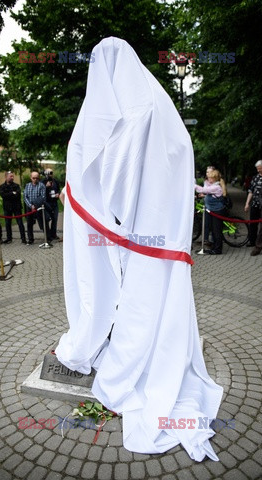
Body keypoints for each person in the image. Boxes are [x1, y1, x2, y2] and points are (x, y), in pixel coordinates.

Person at [55, 37, 223, 461]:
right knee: (148, 300)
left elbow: (111, 168)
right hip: (153, 232)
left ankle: (131, 362)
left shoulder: (137, 109)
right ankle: (136, 351)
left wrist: (103, 213)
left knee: (139, 302)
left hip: (140, 232)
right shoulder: (153, 100)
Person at [195, 169, 226, 254]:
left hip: (217, 211)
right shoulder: (213, 185)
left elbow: (203, 190)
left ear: (214, 179)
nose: (208, 179)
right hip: (213, 210)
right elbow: (206, 189)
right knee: (213, 230)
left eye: (210, 178)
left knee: (217, 231)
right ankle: (214, 247)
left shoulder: (216, 187)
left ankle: (218, 249)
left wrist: (192, 185)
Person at [244, 160, 262, 246]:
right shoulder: (255, 177)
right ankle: (252, 241)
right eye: (257, 169)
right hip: (254, 204)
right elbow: (251, 191)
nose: (258, 170)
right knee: (253, 223)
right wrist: (247, 203)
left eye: (259, 169)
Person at [23, 172, 52, 244]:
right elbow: (25, 197)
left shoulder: (41, 185)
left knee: (43, 223)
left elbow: (43, 197)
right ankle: (30, 239)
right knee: (29, 224)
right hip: (30, 207)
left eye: (37, 178)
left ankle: (48, 238)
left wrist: (35, 205)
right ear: (31, 178)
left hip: (39, 207)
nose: (35, 179)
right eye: (33, 178)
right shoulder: (27, 185)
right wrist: (31, 205)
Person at [0, 171, 27, 244]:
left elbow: (17, 195)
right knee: (7, 223)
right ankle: (9, 238)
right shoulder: (2, 187)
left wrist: (9, 194)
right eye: (10, 176)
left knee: (20, 223)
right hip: (7, 208)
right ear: (6, 177)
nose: (12, 178)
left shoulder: (16, 186)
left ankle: (23, 238)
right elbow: (3, 195)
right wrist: (12, 193)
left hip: (16, 207)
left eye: (12, 176)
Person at [43, 168, 60, 240]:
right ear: (46, 173)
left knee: (55, 219)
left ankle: (54, 234)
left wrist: (58, 194)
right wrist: (46, 187)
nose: (50, 174)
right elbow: (41, 192)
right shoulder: (43, 182)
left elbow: (59, 189)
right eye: (49, 172)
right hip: (47, 203)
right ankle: (48, 234)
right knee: (47, 219)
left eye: (51, 172)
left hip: (54, 202)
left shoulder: (55, 181)